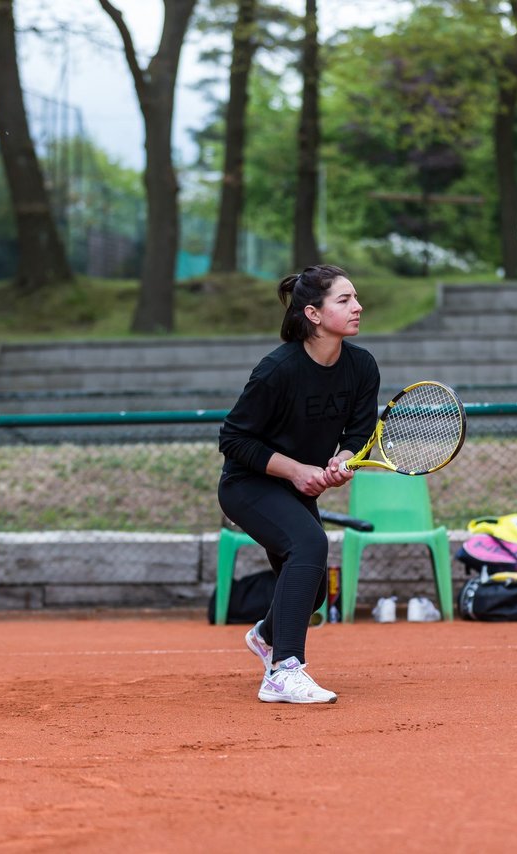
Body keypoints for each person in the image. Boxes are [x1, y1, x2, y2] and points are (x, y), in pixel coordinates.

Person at [217, 264, 380, 704]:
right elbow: (232, 439)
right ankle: (283, 671)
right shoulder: (277, 370)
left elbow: (358, 435)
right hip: (248, 485)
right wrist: (297, 471)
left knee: (307, 597)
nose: (357, 307)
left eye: (355, 298)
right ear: (312, 313)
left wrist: (342, 462)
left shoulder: (361, 367)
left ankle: (267, 635)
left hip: (295, 486)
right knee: (310, 546)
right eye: (344, 300)